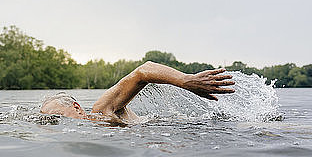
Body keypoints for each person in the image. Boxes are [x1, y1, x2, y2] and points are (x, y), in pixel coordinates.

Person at [40, 61, 235, 123]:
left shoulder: (101, 110)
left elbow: (143, 71)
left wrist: (186, 80)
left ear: (76, 107)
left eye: (56, 117)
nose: (55, 124)